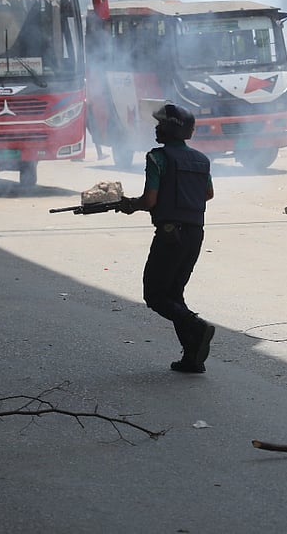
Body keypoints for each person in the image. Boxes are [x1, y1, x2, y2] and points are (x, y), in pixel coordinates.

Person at [117, 103, 216, 373]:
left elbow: (150, 200)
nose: (156, 128)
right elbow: (208, 194)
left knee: (155, 295)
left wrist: (131, 205)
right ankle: (192, 358)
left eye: (161, 124)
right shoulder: (201, 160)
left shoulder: (157, 158)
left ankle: (197, 325)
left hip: (170, 234)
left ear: (171, 128)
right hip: (195, 233)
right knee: (174, 294)